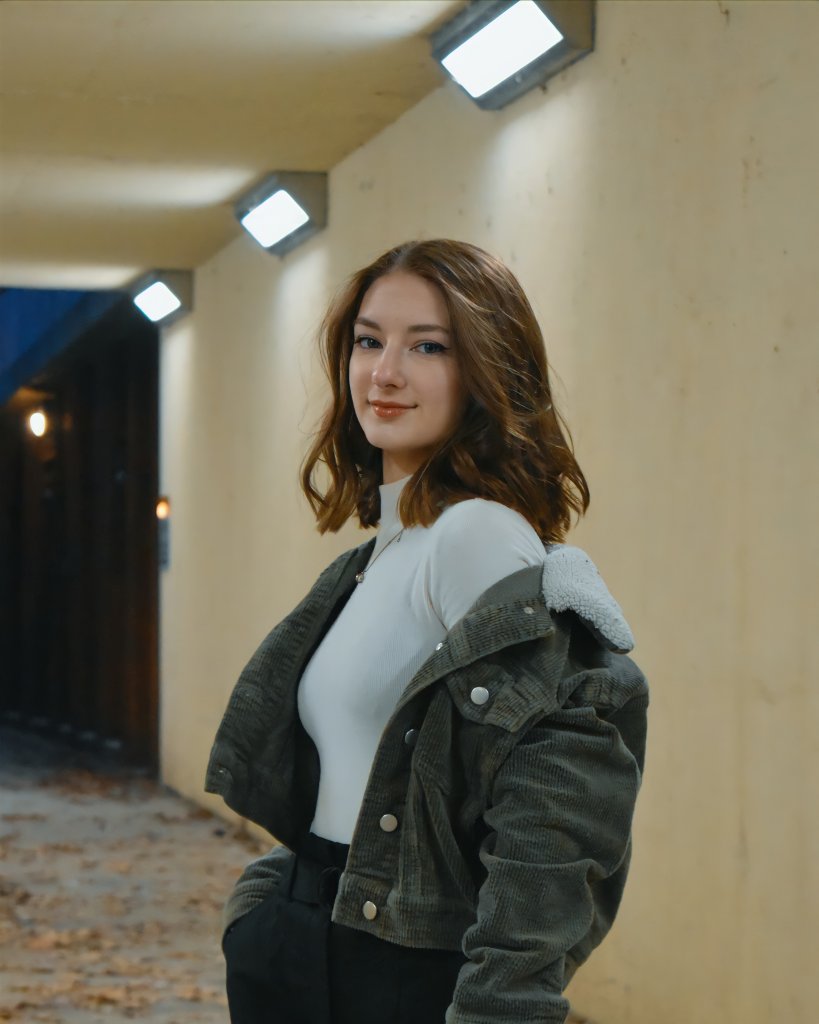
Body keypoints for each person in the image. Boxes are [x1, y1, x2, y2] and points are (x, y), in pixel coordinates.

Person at [205, 239, 648, 1024]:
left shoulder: (473, 536)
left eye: (428, 347)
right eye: (369, 341)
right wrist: (271, 894)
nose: (385, 372)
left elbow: (556, 787)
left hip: (395, 971)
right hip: (305, 946)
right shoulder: (378, 554)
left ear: (488, 372)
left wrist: (503, 1000)